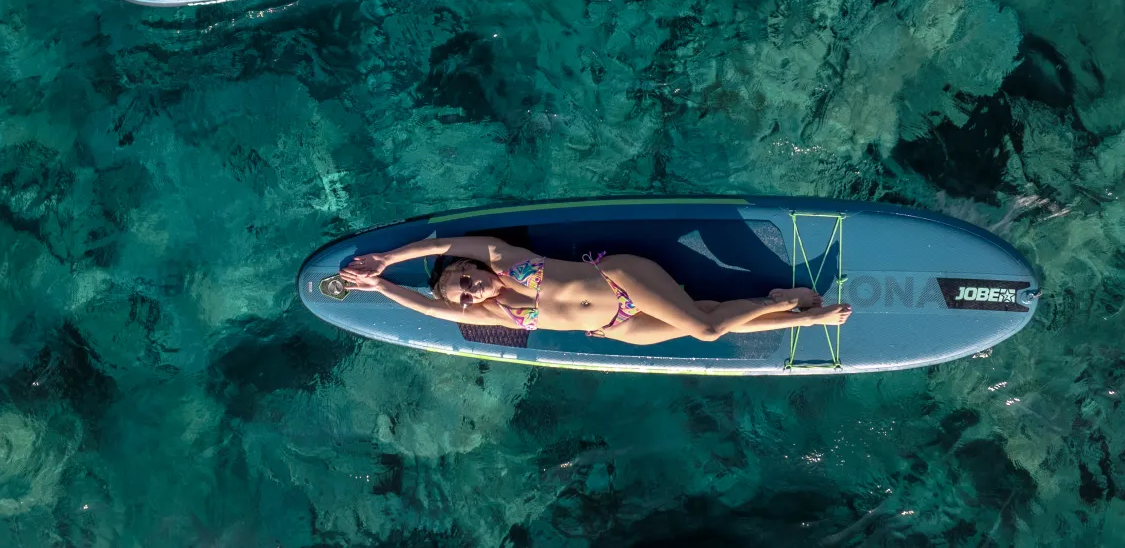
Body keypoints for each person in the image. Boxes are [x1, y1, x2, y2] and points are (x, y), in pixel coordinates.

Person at [336, 235, 851, 346]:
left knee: (709, 329)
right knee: (711, 312)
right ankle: (799, 314)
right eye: (464, 297)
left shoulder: (503, 261)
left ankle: (785, 305)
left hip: (621, 278)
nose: (471, 291)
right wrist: (380, 289)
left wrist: (385, 260)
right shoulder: (498, 315)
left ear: (468, 266)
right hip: (617, 325)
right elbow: (428, 309)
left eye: (462, 279)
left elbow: (445, 242)